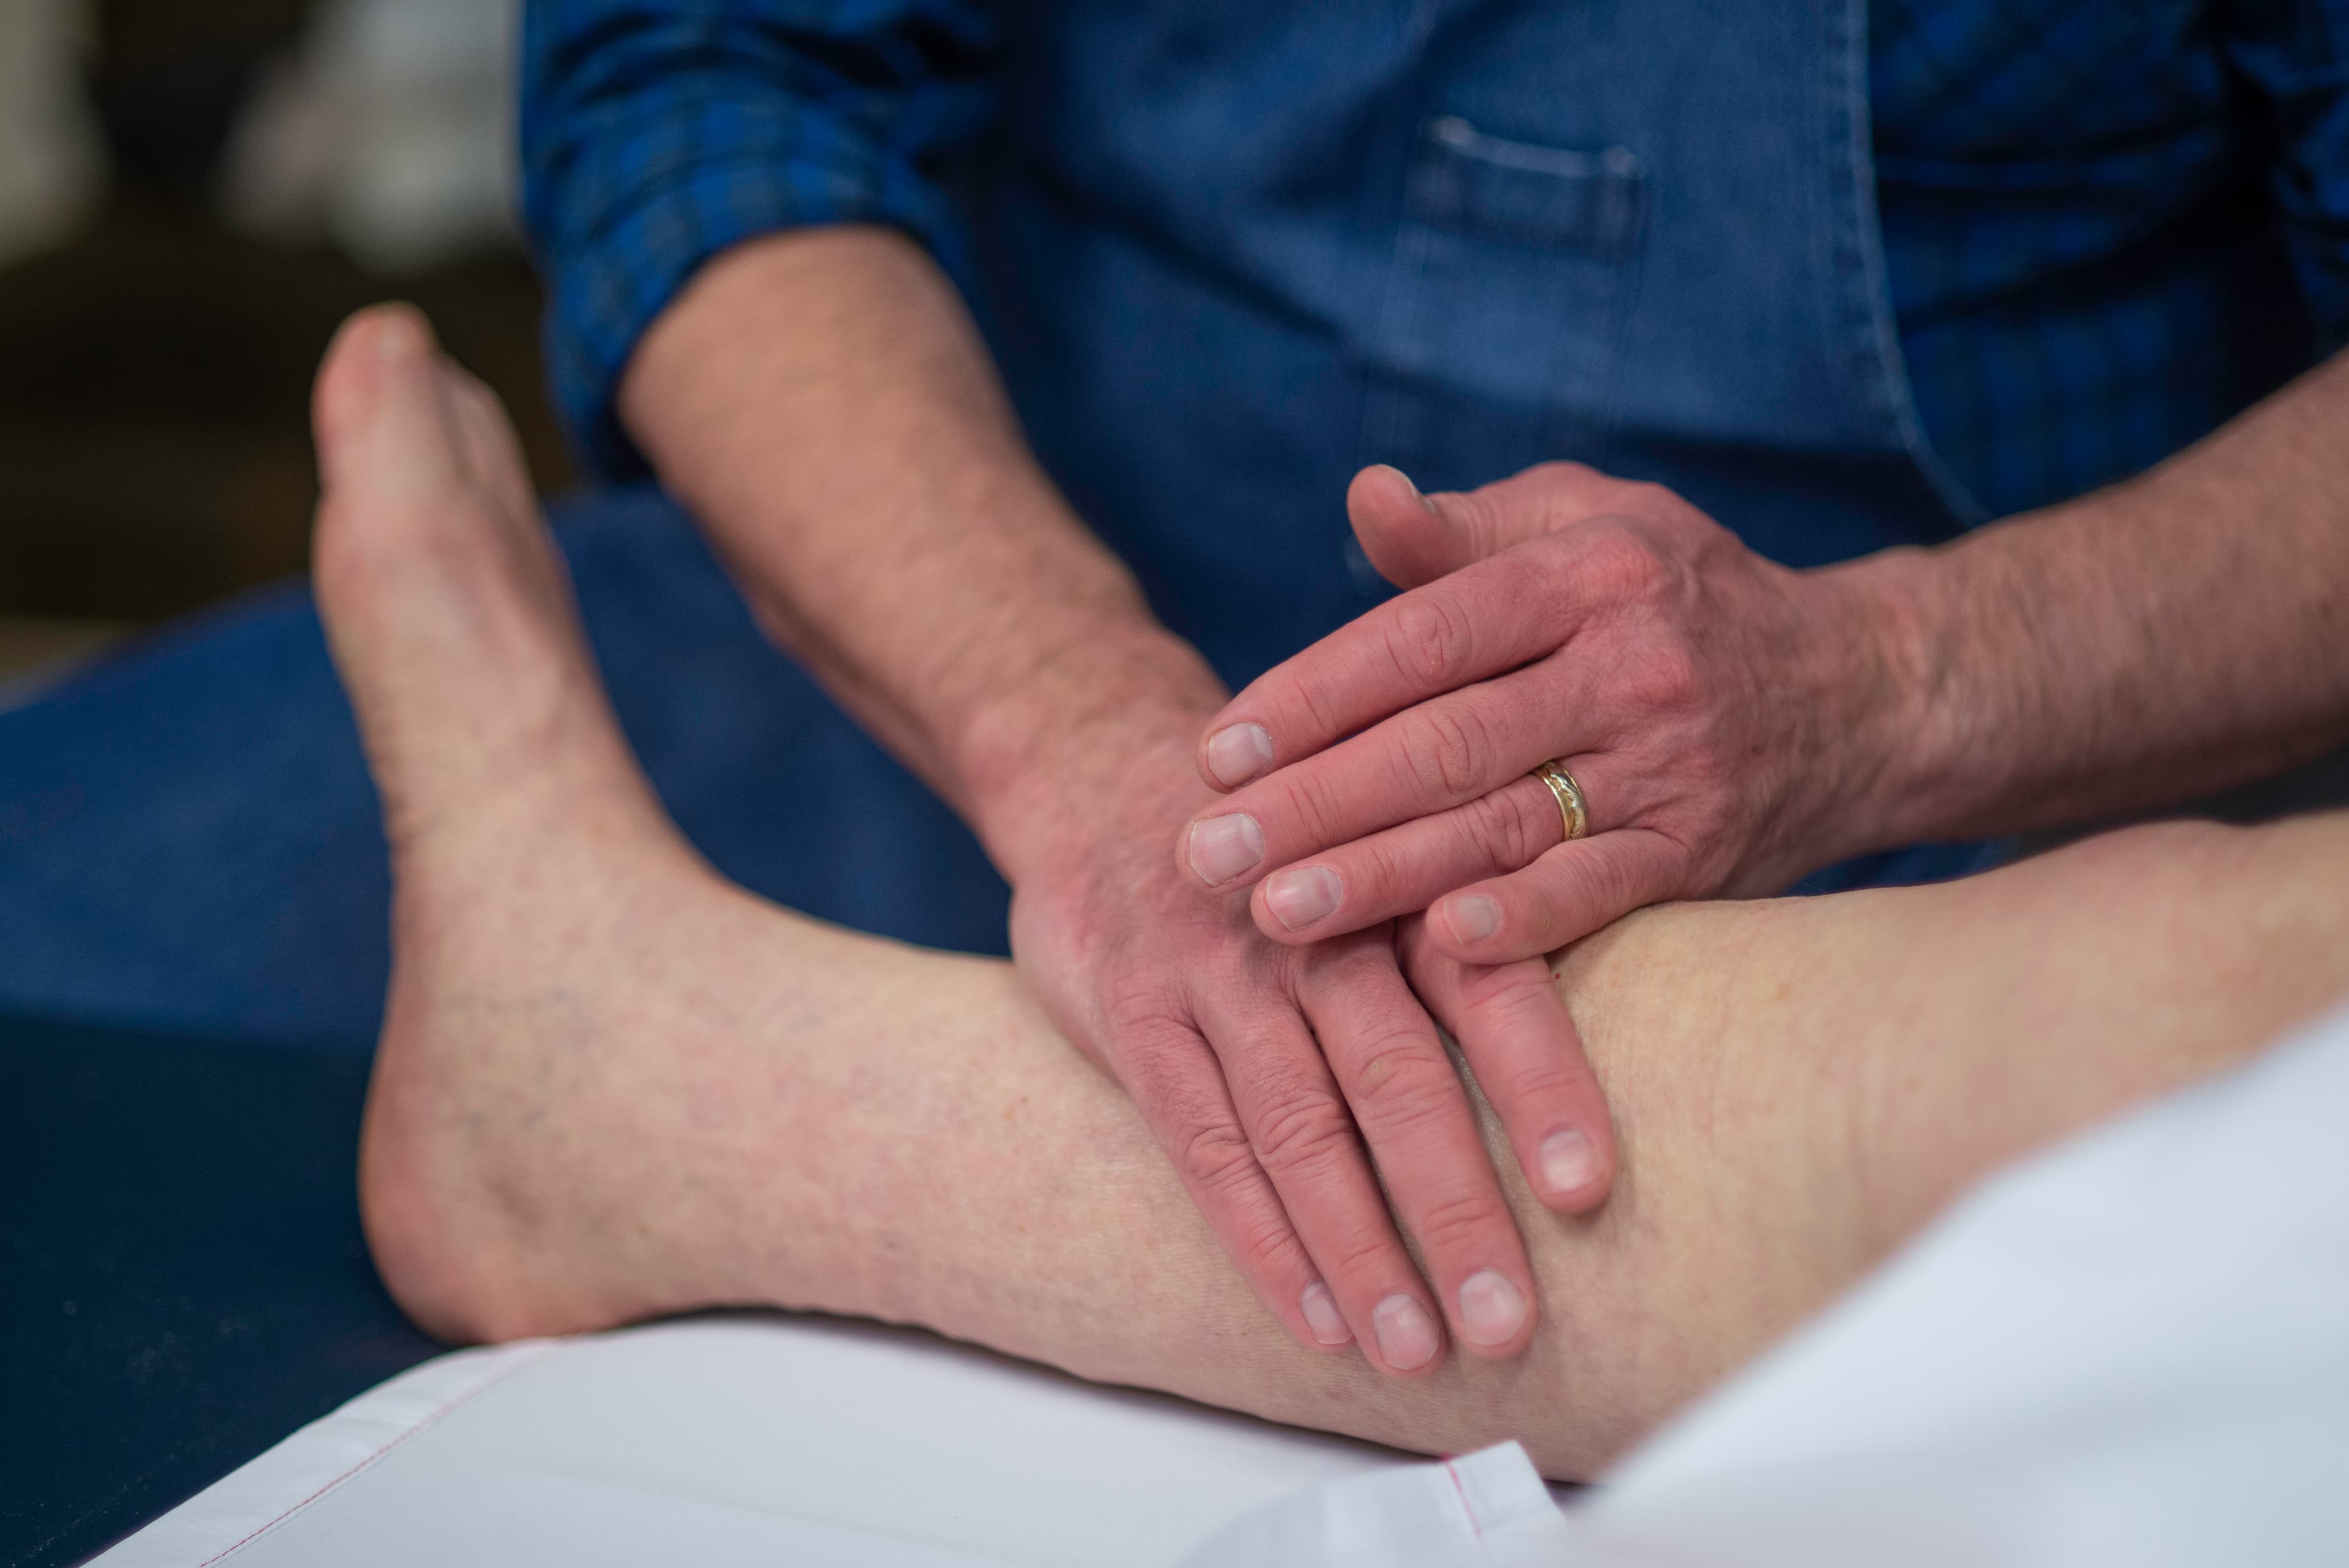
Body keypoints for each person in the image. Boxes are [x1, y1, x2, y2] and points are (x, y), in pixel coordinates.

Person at [317, 303, 2349, 1474]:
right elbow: (716, 73)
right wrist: (1070, 715)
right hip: (946, 553)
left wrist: (1914, 670)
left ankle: (648, 1073)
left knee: (2249, 1072)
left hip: (1938, 676)